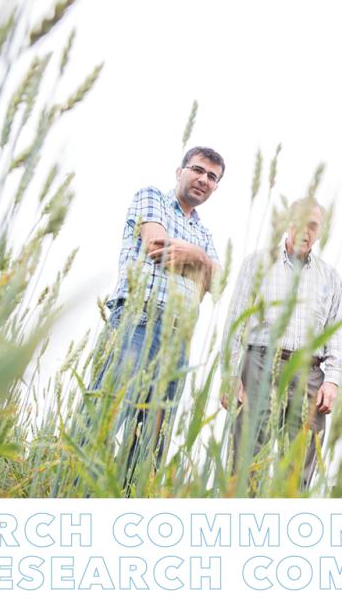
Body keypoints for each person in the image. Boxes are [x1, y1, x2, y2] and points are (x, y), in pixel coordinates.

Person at [93, 146, 224, 489]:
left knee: (150, 441)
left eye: (212, 177)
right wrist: (200, 265)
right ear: (179, 171)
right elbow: (157, 248)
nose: (203, 180)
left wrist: (194, 255)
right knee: (103, 420)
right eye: (197, 170)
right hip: (138, 320)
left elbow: (219, 284)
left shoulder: (205, 234)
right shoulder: (152, 198)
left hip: (177, 340)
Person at [221, 198, 342, 490]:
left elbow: (337, 335)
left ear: (321, 231)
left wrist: (333, 381)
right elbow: (236, 321)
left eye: (313, 226)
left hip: (309, 374)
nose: (306, 231)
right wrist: (229, 374)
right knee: (246, 461)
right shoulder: (256, 263)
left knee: (299, 468)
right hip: (260, 364)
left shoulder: (331, 278)